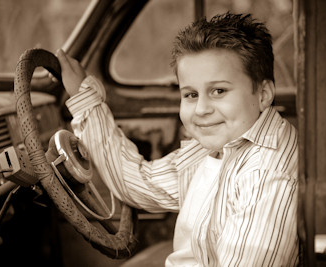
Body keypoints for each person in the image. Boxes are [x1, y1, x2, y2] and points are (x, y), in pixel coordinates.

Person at [57, 12, 298, 266]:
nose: (202, 109)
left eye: (219, 91)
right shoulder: (216, 147)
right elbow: (142, 183)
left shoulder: (264, 177)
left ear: (263, 95)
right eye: (191, 94)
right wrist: (86, 101)